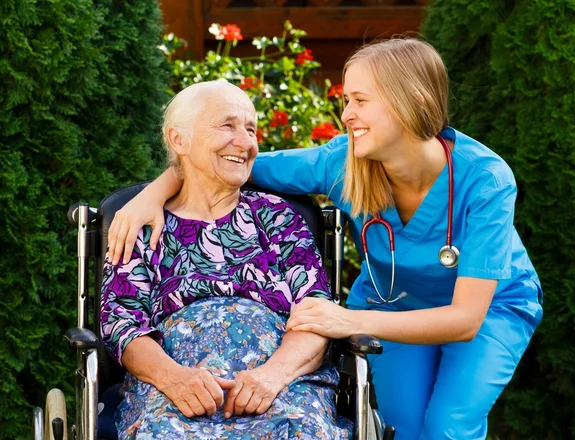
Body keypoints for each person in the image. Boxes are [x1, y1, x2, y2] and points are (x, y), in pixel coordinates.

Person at [107, 38, 543, 440]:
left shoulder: (485, 179)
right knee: (402, 428)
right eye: (346, 100)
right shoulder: (343, 162)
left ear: (412, 101)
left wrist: (348, 321)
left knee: (448, 426)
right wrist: (151, 193)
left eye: (360, 100)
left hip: (485, 311)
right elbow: (229, 163)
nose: (346, 113)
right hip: (393, 302)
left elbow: (465, 319)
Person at [101, 80, 352, 439]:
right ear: (179, 140)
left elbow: (316, 313)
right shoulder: (142, 225)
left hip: (283, 389)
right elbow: (121, 324)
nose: (246, 142)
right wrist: (174, 379)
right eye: (228, 125)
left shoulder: (277, 217)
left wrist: (272, 377)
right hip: (175, 390)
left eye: (251, 129)